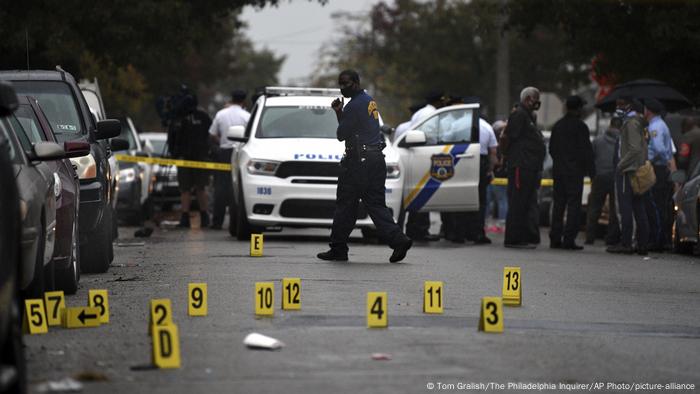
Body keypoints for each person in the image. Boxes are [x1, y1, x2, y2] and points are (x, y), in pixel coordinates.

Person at [317, 69, 412, 263]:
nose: (343, 88)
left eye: (347, 84)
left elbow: (342, 134)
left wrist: (339, 113)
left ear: (357, 82)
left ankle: (338, 248)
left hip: (358, 162)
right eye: (340, 85)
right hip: (375, 159)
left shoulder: (353, 106)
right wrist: (340, 112)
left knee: (345, 205)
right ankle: (398, 239)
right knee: (375, 204)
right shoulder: (369, 100)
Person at [548, 95, 595, 250]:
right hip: (575, 173)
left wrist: (560, 164)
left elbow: (552, 149)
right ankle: (569, 239)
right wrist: (591, 172)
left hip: (559, 172)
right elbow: (586, 151)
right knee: (574, 206)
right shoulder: (581, 127)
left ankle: (555, 238)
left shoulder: (558, 126)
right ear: (579, 108)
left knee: (558, 205)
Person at [503, 87, 546, 249]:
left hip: (529, 165)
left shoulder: (528, 116)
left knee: (526, 201)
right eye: (535, 99)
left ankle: (523, 236)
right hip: (521, 165)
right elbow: (510, 137)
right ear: (528, 99)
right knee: (518, 202)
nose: (537, 103)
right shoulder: (519, 115)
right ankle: (513, 238)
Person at [607, 98, 649, 255]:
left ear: (629, 106)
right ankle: (641, 242)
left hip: (627, 171)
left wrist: (620, 165)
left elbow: (634, 149)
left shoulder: (631, 124)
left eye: (621, 104)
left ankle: (626, 242)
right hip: (635, 169)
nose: (618, 108)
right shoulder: (638, 123)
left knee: (626, 208)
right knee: (638, 206)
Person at [404, 91, 445, 242]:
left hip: (417, 154)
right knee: (424, 193)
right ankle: (420, 230)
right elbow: (433, 136)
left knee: (419, 193)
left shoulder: (421, 113)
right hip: (427, 154)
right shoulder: (433, 114)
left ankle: (414, 228)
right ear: (439, 101)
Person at [167, 92, 213, 228]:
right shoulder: (201, 116)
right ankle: (196, 217)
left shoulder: (180, 117)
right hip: (196, 158)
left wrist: (174, 153)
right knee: (195, 188)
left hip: (190, 158)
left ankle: (195, 217)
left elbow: (171, 139)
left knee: (190, 189)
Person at [208, 90, 250, 230]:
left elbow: (212, 134)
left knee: (220, 188)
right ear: (244, 101)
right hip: (240, 153)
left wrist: (221, 141)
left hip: (224, 153)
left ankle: (217, 222)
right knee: (236, 188)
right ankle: (235, 222)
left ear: (231, 99)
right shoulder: (247, 116)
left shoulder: (221, 114)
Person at [585, 117, 622, 245]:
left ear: (610, 125)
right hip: (616, 177)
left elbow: (590, 158)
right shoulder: (622, 142)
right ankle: (611, 237)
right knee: (614, 209)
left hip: (599, 176)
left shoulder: (598, 141)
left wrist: (592, 175)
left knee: (594, 207)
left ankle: (590, 236)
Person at [643, 98, 674, 252]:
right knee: (660, 204)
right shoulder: (662, 124)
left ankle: (657, 240)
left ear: (648, 110)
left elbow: (659, 148)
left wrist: (655, 160)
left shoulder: (655, 126)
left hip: (657, 169)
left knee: (655, 205)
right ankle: (660, 239)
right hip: (661, 169)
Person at [464, 109, 498, 244]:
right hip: (481, 163)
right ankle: (478, 232)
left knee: (464, 198)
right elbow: (493, 152)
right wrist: (490, 169)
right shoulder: (487, 127)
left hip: (464, 161)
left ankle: (461, 232)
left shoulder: (460, 124)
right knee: (481, 201)